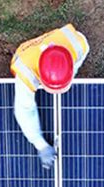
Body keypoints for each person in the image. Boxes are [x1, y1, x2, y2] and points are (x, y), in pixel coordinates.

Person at [10, 23, 90, 169]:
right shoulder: (25, 74)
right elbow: (24, 111)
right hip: (25, 54)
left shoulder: (79, 45)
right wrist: (41, 145)